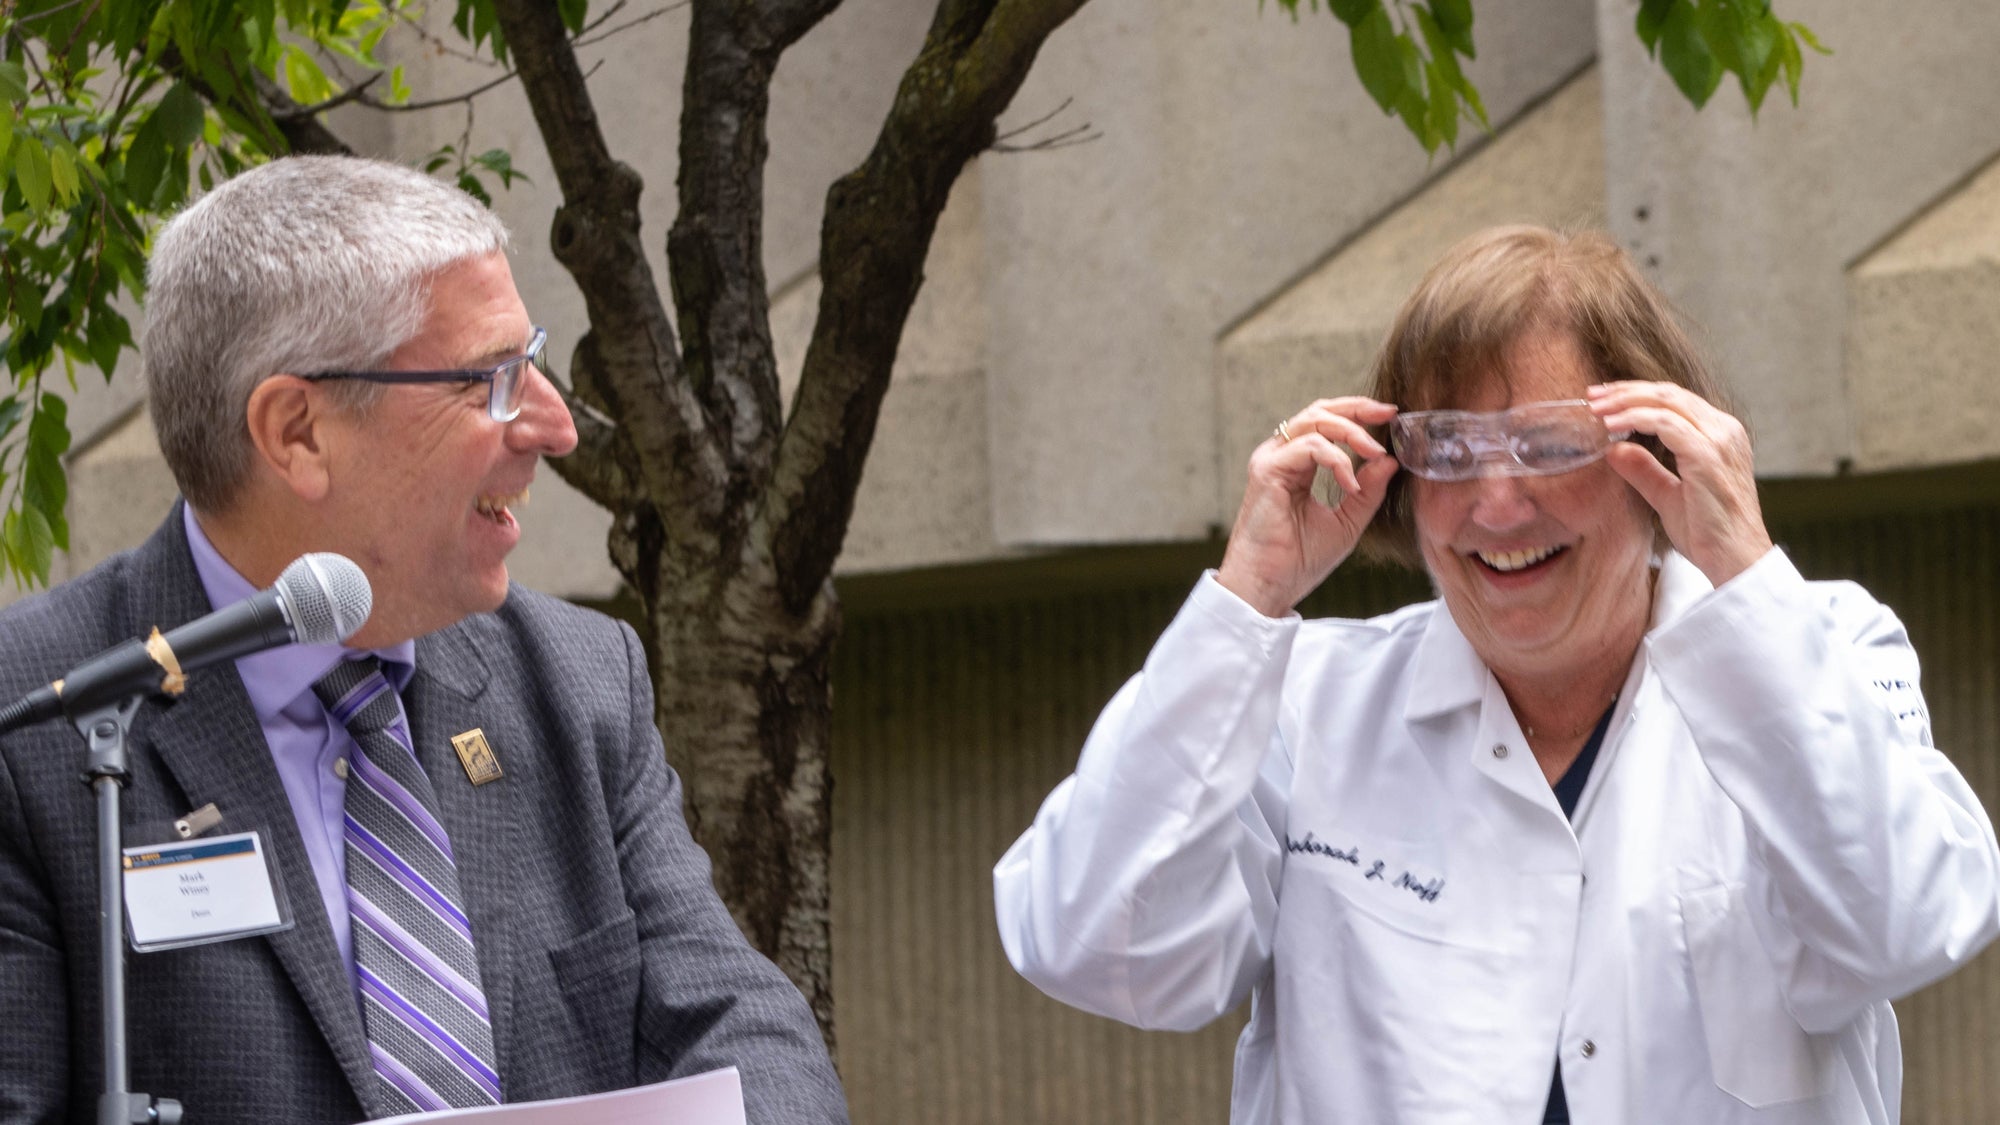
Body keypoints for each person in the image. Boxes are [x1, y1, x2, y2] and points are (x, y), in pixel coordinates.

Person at [993, 225, 2000, 1123]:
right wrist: (1243, 597)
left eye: (1546, 442)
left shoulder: (1817, 650)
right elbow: (1099, 948)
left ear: (1655, 452)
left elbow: (1900, 925)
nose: (1496, 503)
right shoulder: (1307, 705)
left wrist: (1740, 572)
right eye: (1450, 448)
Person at [0, 156, 847, 1124]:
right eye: (491, 379)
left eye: (529, 360)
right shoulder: (38, 721)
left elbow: (748, 1037)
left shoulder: (577, 683)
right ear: (297, 434)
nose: (555, 426)